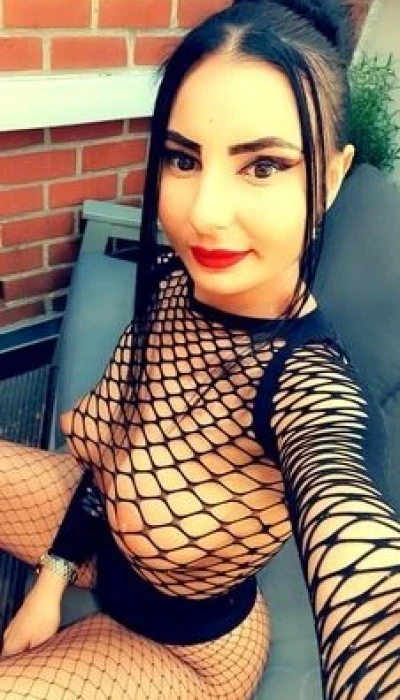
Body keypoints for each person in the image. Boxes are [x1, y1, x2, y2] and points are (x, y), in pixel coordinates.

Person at [0, 0, 399, 697]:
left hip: (190, 651)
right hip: (100, 544)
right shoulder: (176, 287)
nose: (204, 213)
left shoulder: (309, 386)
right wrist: (51, 581)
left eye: (264, 166)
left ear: (332, 177)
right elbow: (113, 457)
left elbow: (357, 549)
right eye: (183, 158)